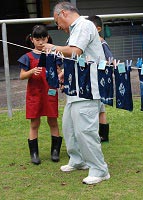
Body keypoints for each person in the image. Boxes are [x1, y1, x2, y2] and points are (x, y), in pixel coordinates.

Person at [44, 2, 110, 185]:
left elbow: (75, 51)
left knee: (86, 131)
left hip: (87, 89)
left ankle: (99, 169)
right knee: (70, 128)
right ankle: (78, 159)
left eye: (58, 21)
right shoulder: (75, 30)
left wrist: (52, 48)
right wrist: (64, 72)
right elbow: (79, 58)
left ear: (63, 13)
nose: (58, 26)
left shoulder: (84, 25)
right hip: (75, 89)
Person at [18, 25, 62, 165]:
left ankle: (55, 152)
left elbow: (59, 71)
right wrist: (31, 72)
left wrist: (60, 77)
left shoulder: (53, 54)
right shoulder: (27, 57)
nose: (41, 42)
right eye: (37, 39)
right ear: (32, 40)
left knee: (53, 121)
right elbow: (22, 76)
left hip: (50, 93)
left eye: (43, 38)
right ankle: (34, 154)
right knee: (35, 123)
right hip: (34, 95)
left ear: (47, 38)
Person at [87, 15, 113, 142]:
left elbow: (110, 60)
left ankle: (103, 134)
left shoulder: (102, 43)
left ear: (97, 29)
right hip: (90, 79)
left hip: (100, 79)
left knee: (101, 109)